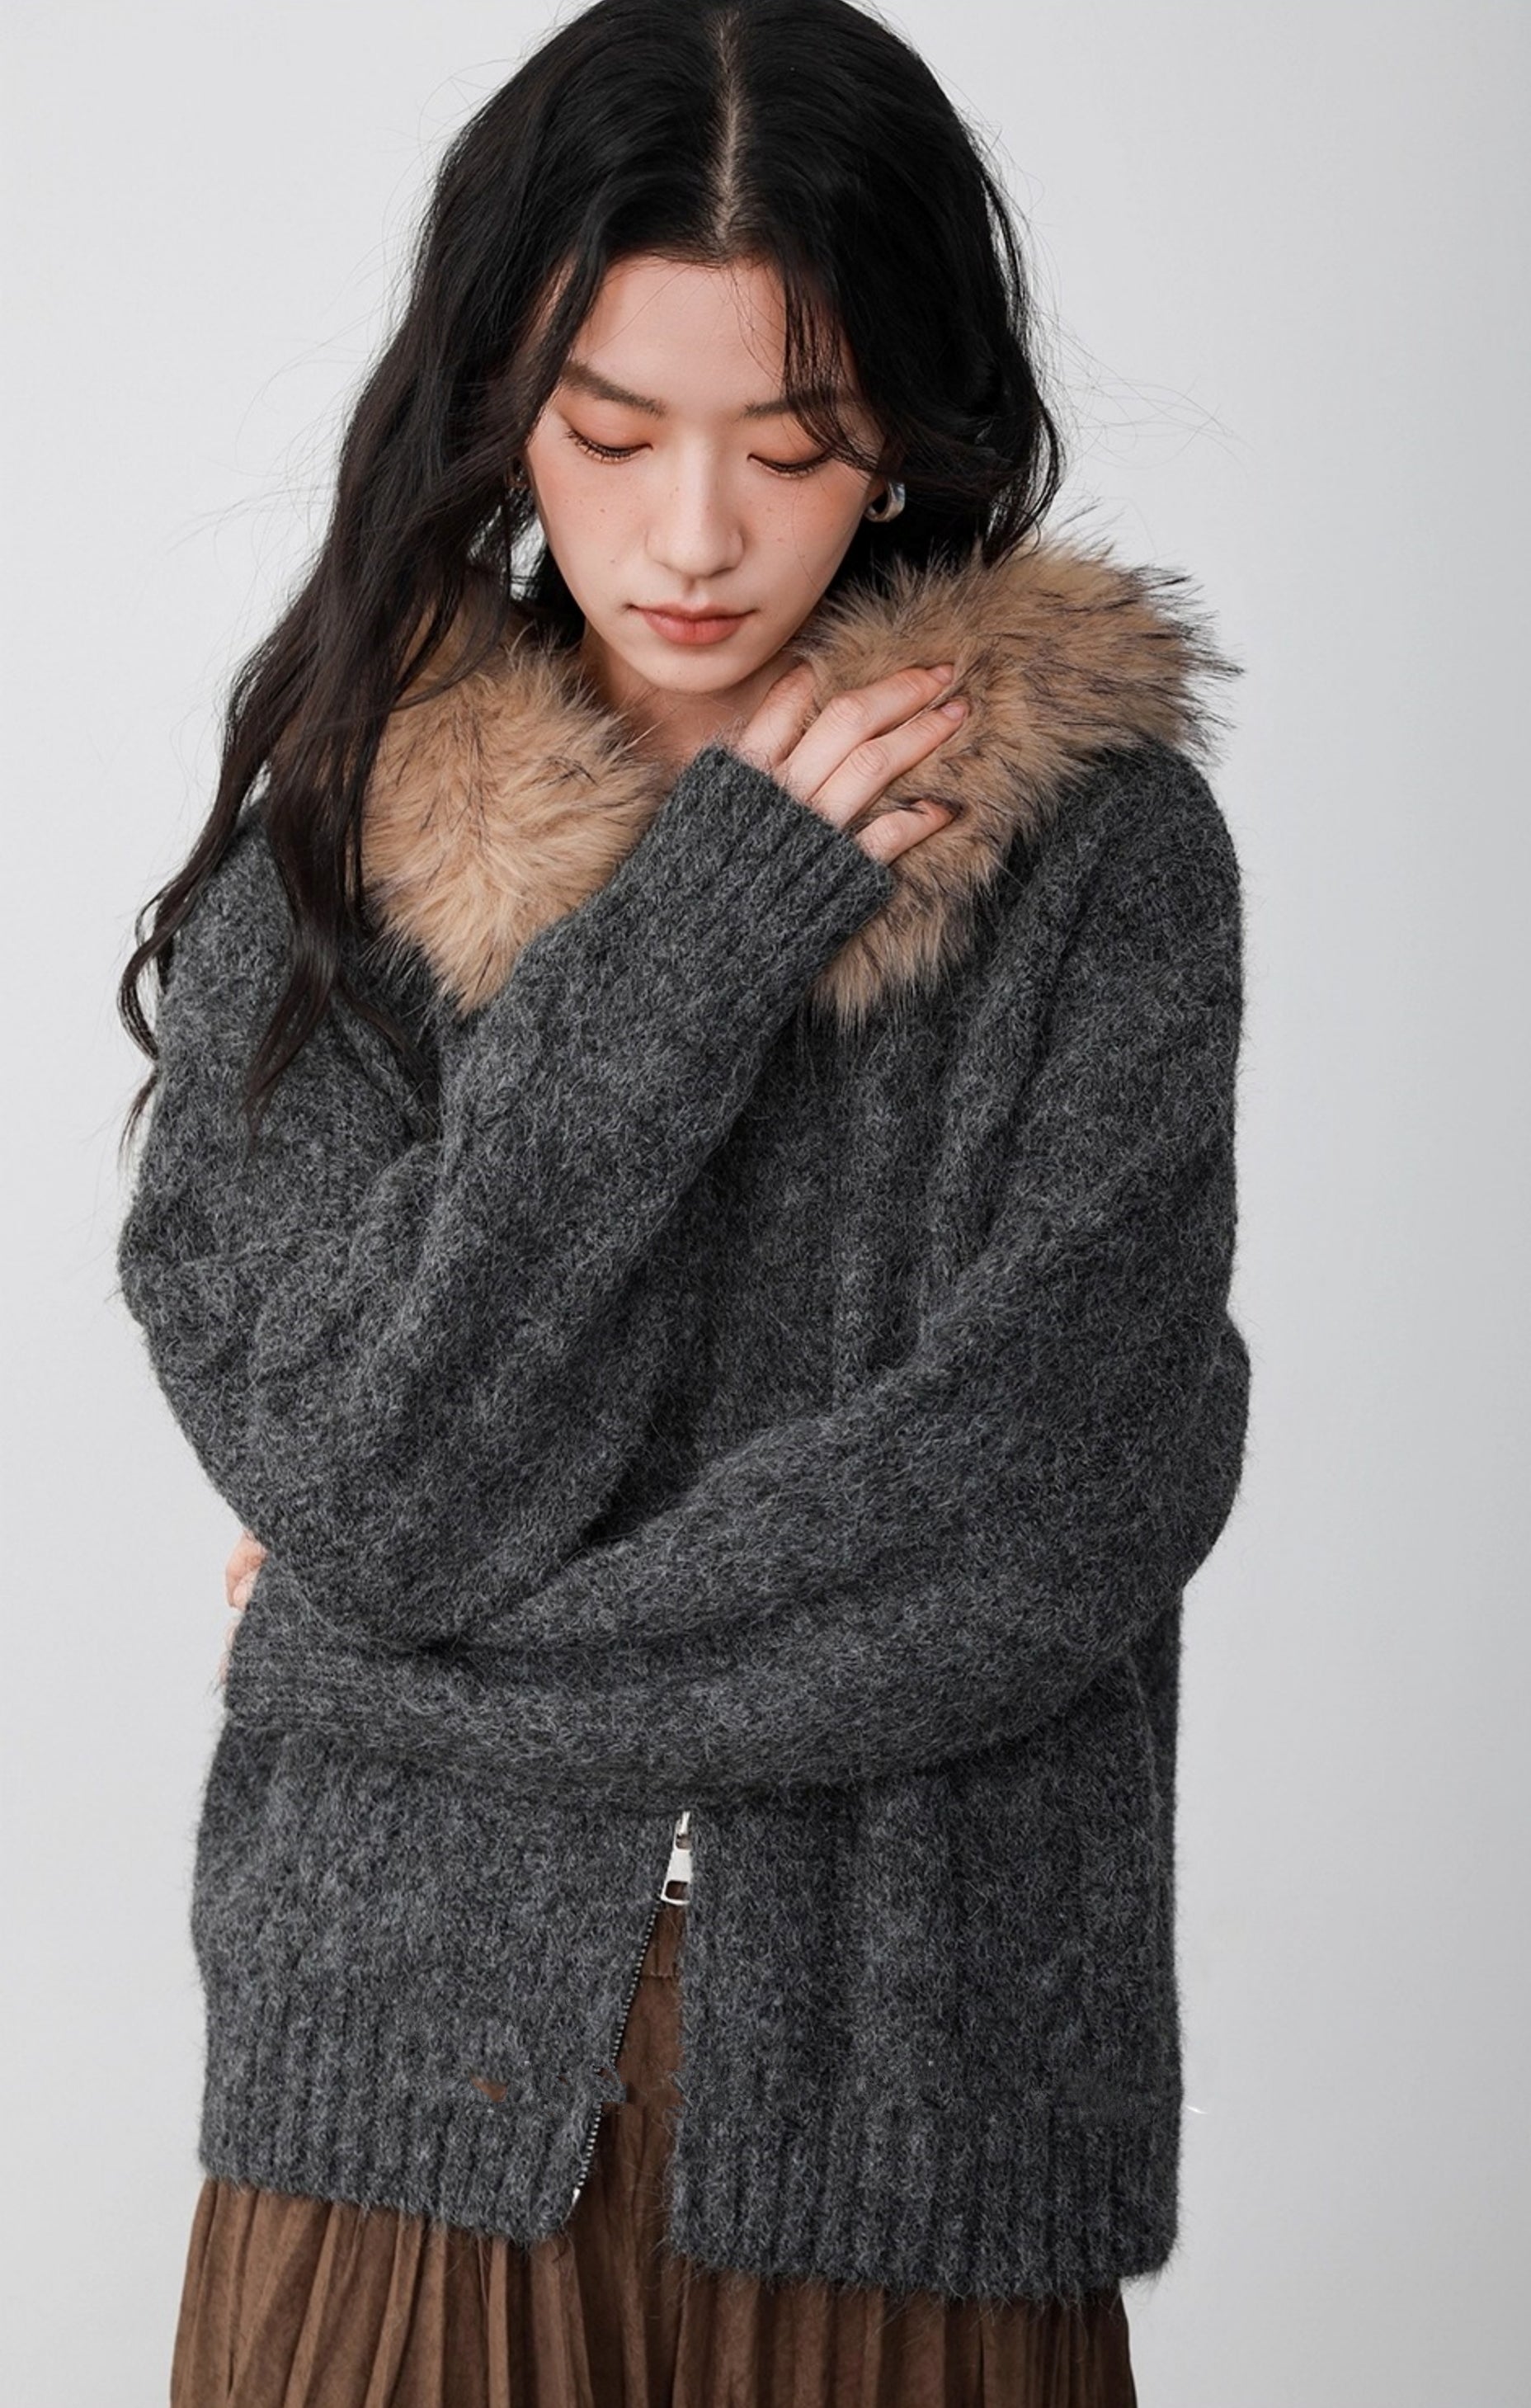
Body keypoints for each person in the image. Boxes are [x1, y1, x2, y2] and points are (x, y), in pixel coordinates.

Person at [114, 1, 1251, 2400]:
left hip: (910, 2157)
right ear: (496, 403)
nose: (699, 532)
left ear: (909, 428)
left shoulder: (1097, 863)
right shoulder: (336, 863)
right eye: (613, 436)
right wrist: (700, 935)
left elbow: (1025, 1526)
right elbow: (380, 1486)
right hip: (388, 2138)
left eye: (798, 440)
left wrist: (357, 1657)